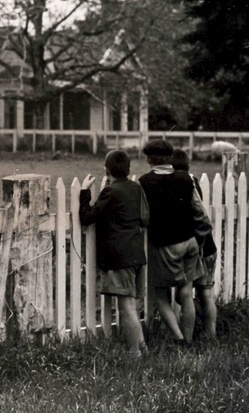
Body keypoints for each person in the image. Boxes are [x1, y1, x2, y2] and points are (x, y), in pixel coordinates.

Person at [137, 139, 212, 346]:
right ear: (170, 158)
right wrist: (200, 238)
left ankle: (179, 339)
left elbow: (143, 217)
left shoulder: (145, 181)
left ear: (150, 159)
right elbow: (201, 215)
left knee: (161, 295)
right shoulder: (186, 179)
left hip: (166, 245)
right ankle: (188, 340)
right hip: (190, 242)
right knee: (186, 292)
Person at [78, 149, 150, 359]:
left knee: (126, 306)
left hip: (120, 257)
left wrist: (84, 192)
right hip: (137, 254)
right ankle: (142, 347)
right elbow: (145, 219)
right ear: (129, 170)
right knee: (132, 305)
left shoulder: (110, 191)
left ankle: (134, 353)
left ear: (106, 170)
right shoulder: (136, 189)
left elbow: (87, 216)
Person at [172, 148, 218, 341]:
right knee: (206, 293)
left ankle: (190, 334)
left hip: (195, 246)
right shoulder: (193, 182)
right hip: (209, 246)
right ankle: (210, 333)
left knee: (182, 293)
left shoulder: (178, 184)